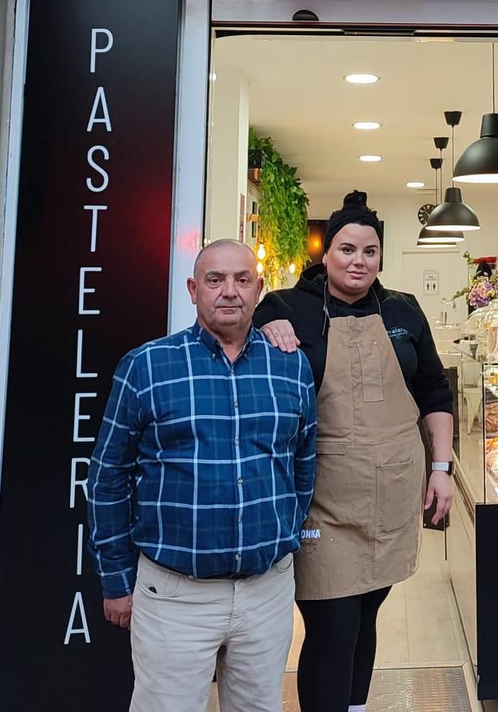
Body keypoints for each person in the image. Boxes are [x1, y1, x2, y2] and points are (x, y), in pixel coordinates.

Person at [88, 239, 317, 712]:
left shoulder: (291, 367)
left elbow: (303, 463)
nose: (228, 292)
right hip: (175, 596)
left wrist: (282, 537)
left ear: (258, 290)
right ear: (194, 290)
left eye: (241, 280)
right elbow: (107, 478)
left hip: (265, 592)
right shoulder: (147, 366)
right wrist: (116, 580)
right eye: (215, 280)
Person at [256, 191, 455, 712]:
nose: (358, 261)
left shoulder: (403, 311)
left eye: (369, 251)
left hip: (391, 495)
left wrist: (441, 469)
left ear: (380, 258)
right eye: (347, 249)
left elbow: (434, 391)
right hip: (321, 499)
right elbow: (243, 361)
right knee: (332, 621)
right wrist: (265, 328)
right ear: (327, 254)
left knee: (367, 611)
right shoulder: (285, 307)